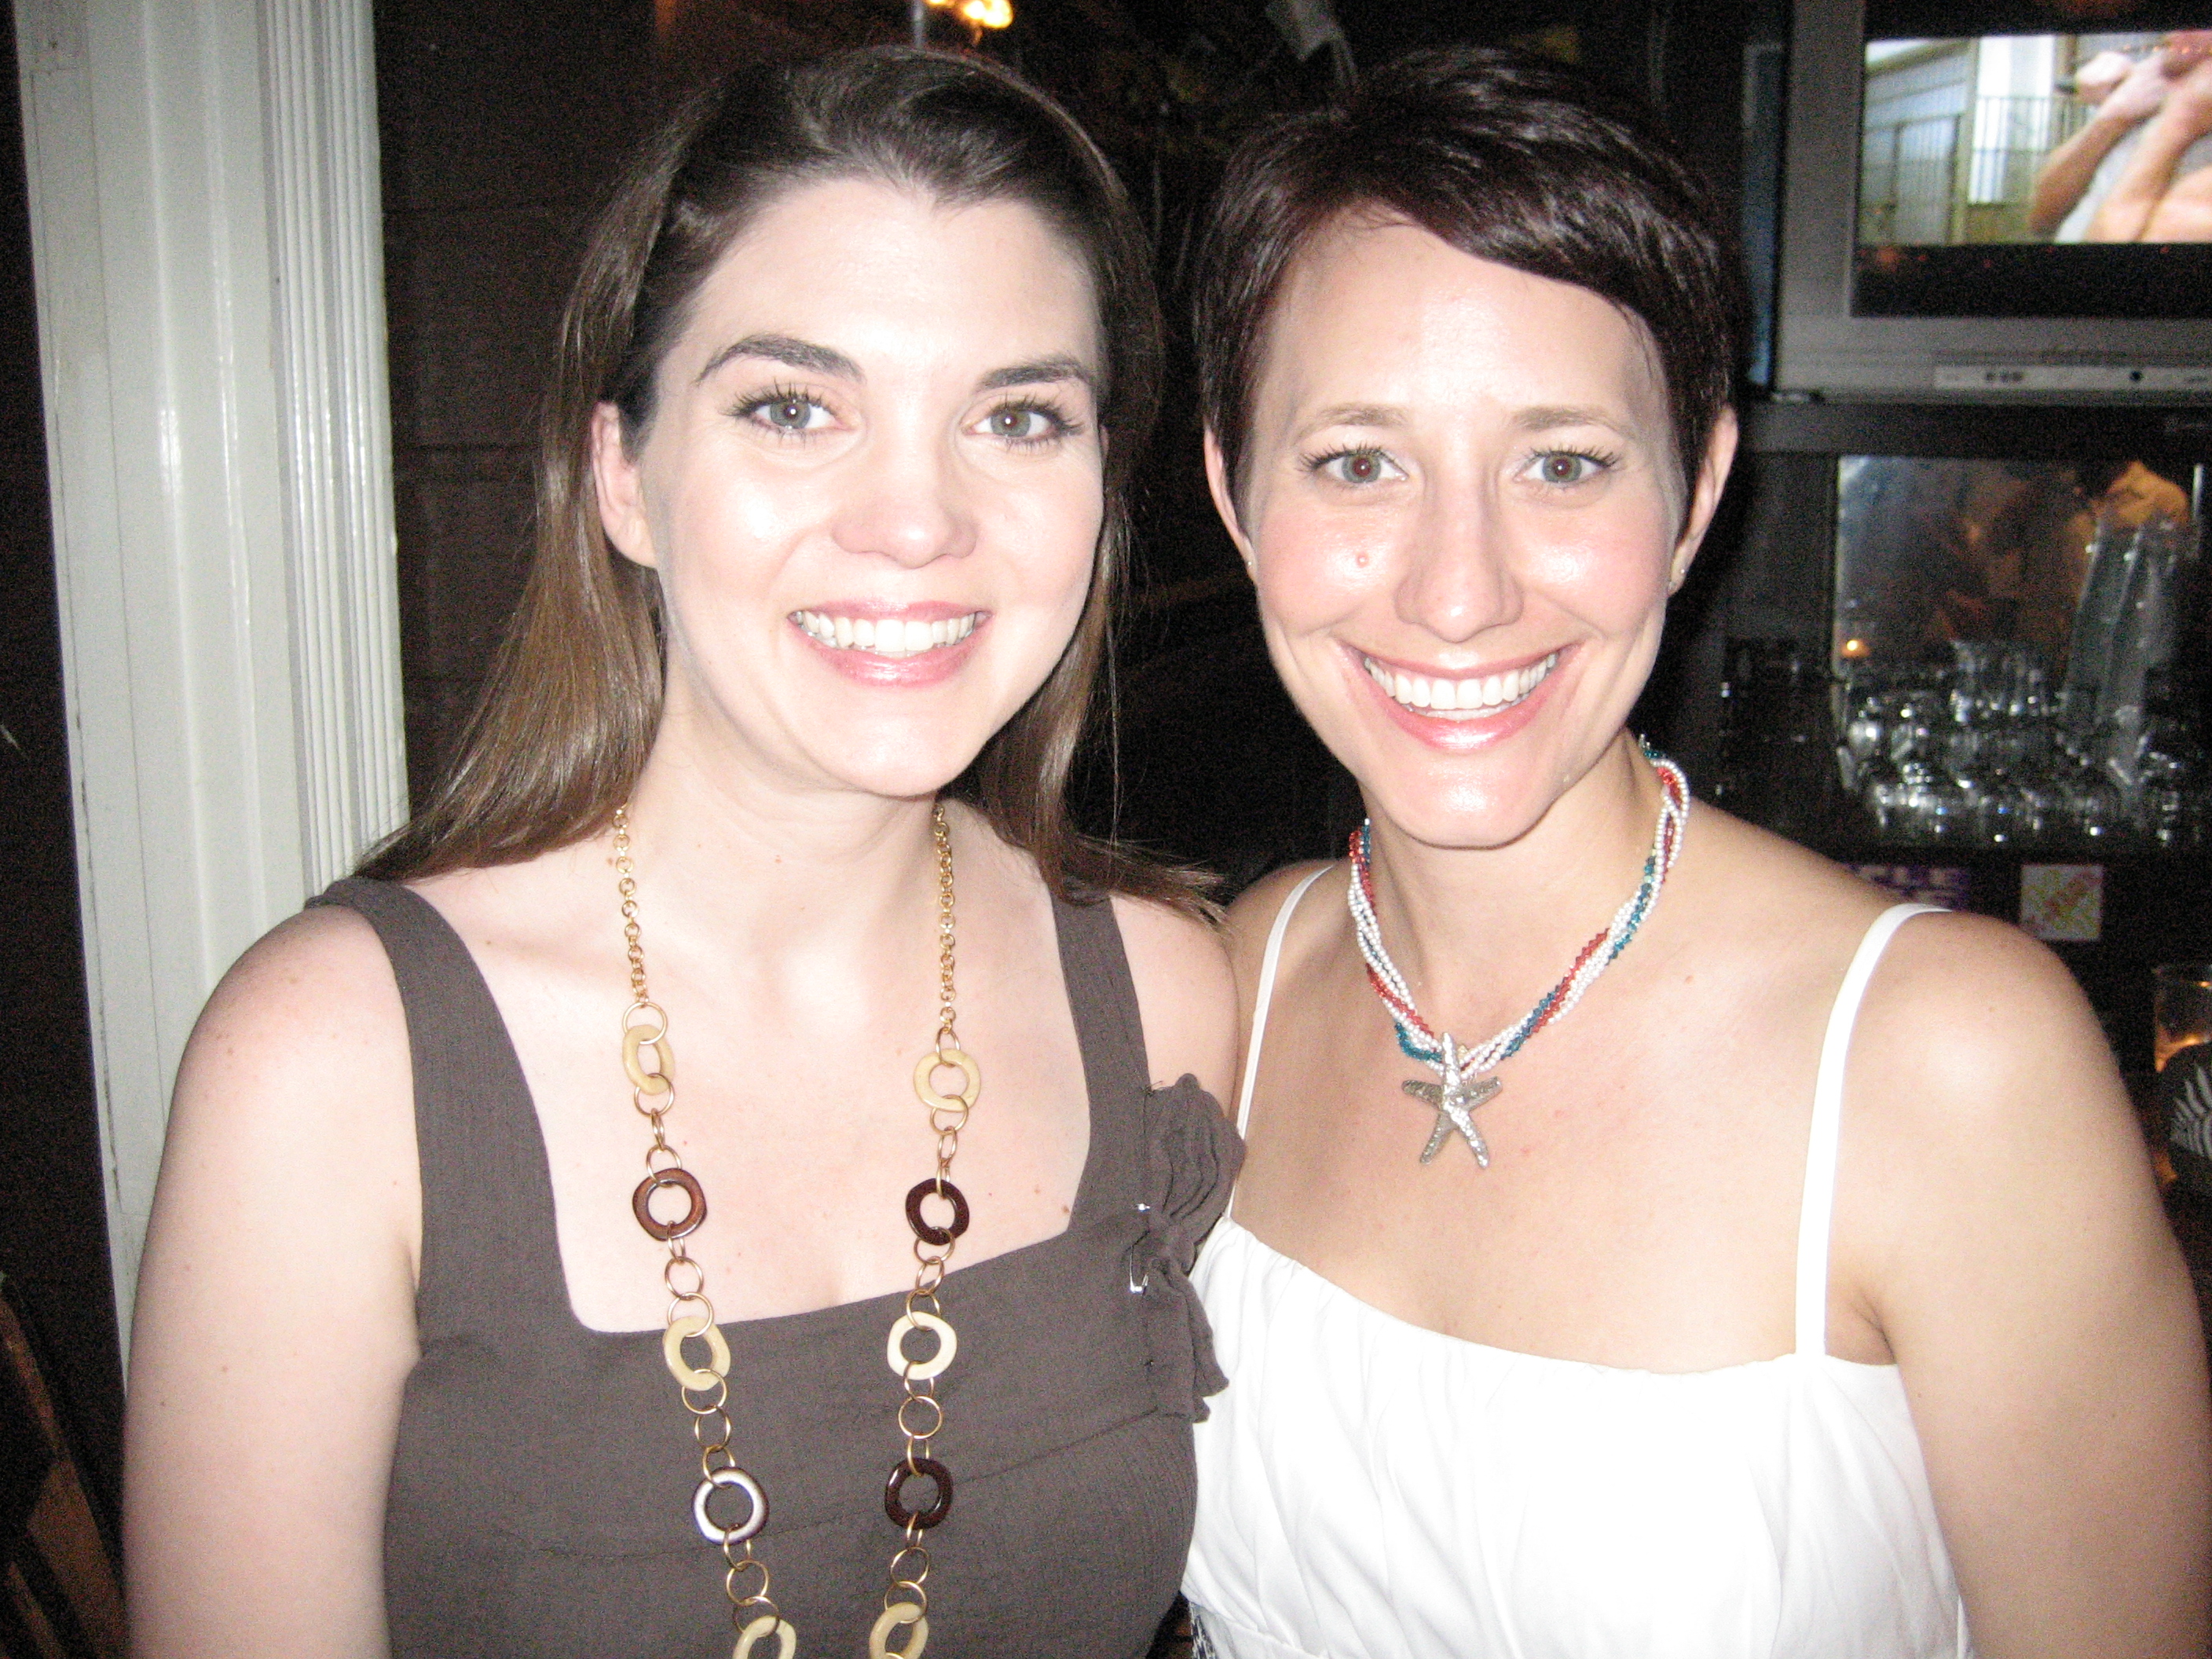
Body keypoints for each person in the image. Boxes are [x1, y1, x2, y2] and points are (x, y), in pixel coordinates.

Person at [123, 47, 1239, 1659]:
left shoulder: (1165, 993)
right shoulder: (331, 1065)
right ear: (623, 477)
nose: (915, 520)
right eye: (793, 408)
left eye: (1017, 418)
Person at [1180, 47, 2209, 1659]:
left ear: (1699, 486)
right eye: (1358, 460)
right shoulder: (1239, 982)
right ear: (1235, 495)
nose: (1458, 591)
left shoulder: (1946, 1062)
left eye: (1564, 462)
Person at [2031, 35, 2212, 243]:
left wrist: (2178, 121)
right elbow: (2041, 220)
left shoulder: (2190, 114)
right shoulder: (2142, 88)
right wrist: (2110, 119)